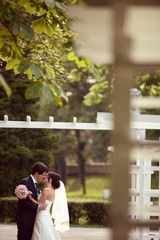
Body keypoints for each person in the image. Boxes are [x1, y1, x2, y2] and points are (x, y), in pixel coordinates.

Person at [29, 171, 70, 240]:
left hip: (41, 215)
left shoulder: (46, 190)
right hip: (46, 215)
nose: (44, 177)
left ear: (50, 179)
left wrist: (30, 198)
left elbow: (39, 204)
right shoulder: (53, 191)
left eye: (46, 176)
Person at [16, 161, 48, 240]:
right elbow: (23, 203)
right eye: (43, 175)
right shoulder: (25, 182)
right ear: (37, 173)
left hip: (32, 220)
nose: (44, 177)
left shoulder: (36, 185)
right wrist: (38, 206)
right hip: (25, 219)